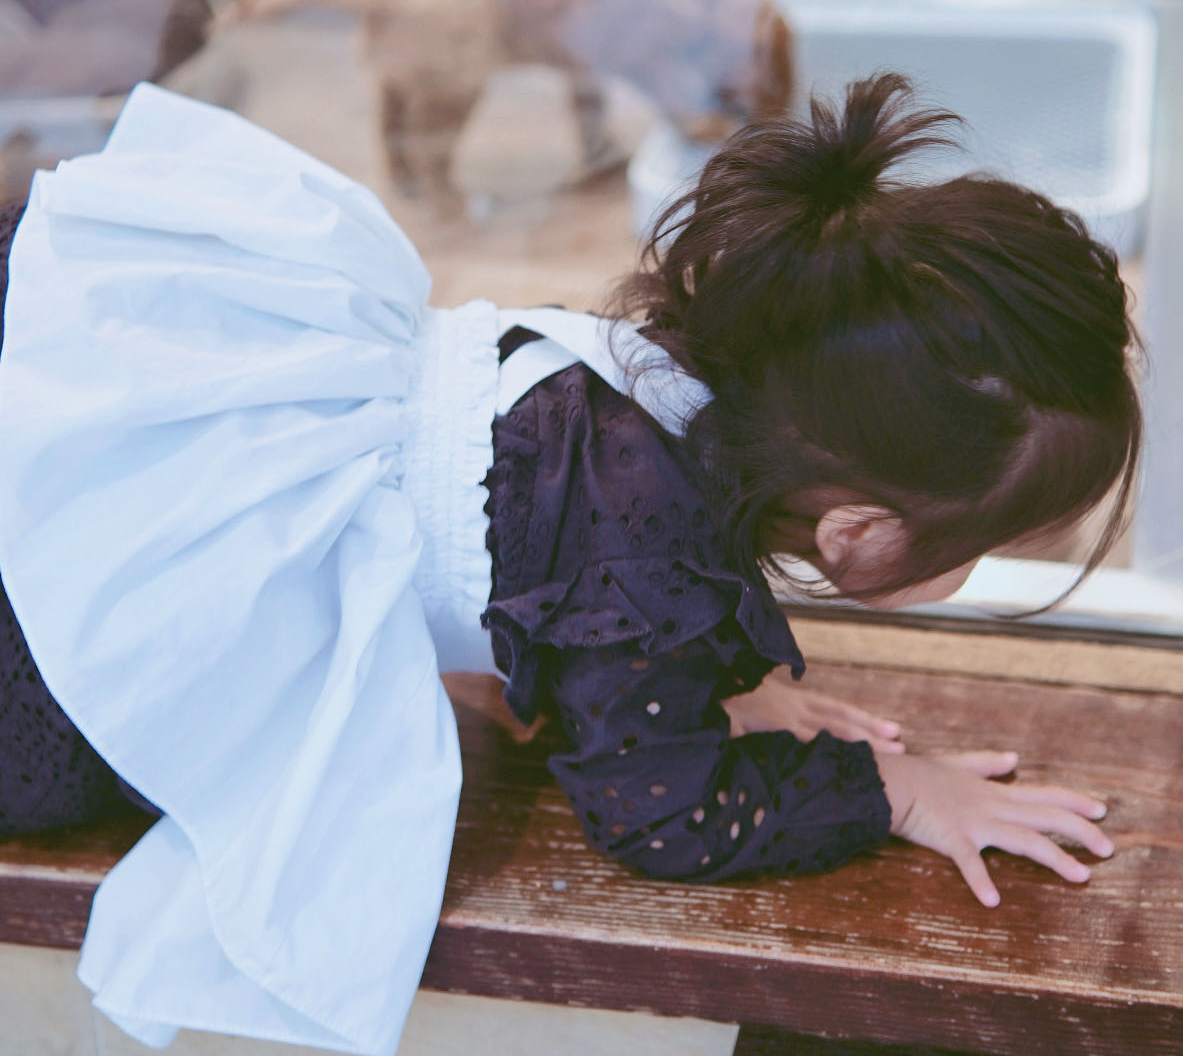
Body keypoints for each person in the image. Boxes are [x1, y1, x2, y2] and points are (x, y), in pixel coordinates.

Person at [0, 71, 1138, 1056]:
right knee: (61, 763)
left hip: (102, 380)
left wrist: (728, 680)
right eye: (974, 544)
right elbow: (661, 815)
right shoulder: (651, 574)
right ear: (855, 534)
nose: (971, 568)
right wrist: (887, 788)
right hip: (55, 617)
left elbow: (539, 552)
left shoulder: (647, 376)